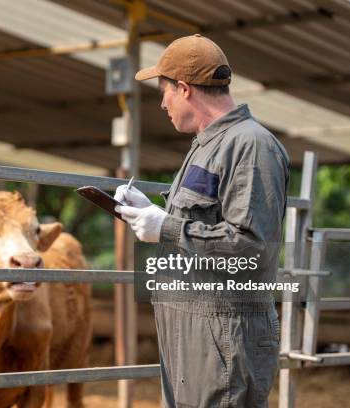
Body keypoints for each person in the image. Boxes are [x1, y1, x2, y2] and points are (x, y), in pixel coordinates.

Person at [114, 34, 291, 407]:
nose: (162, 103)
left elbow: (252, 247)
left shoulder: (251, 145)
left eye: (164, 92)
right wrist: (153, 211)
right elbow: (204, 219)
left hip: (224, 336)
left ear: (184, 89)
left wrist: (166, 227)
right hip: (191, 334)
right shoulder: (207, 144)